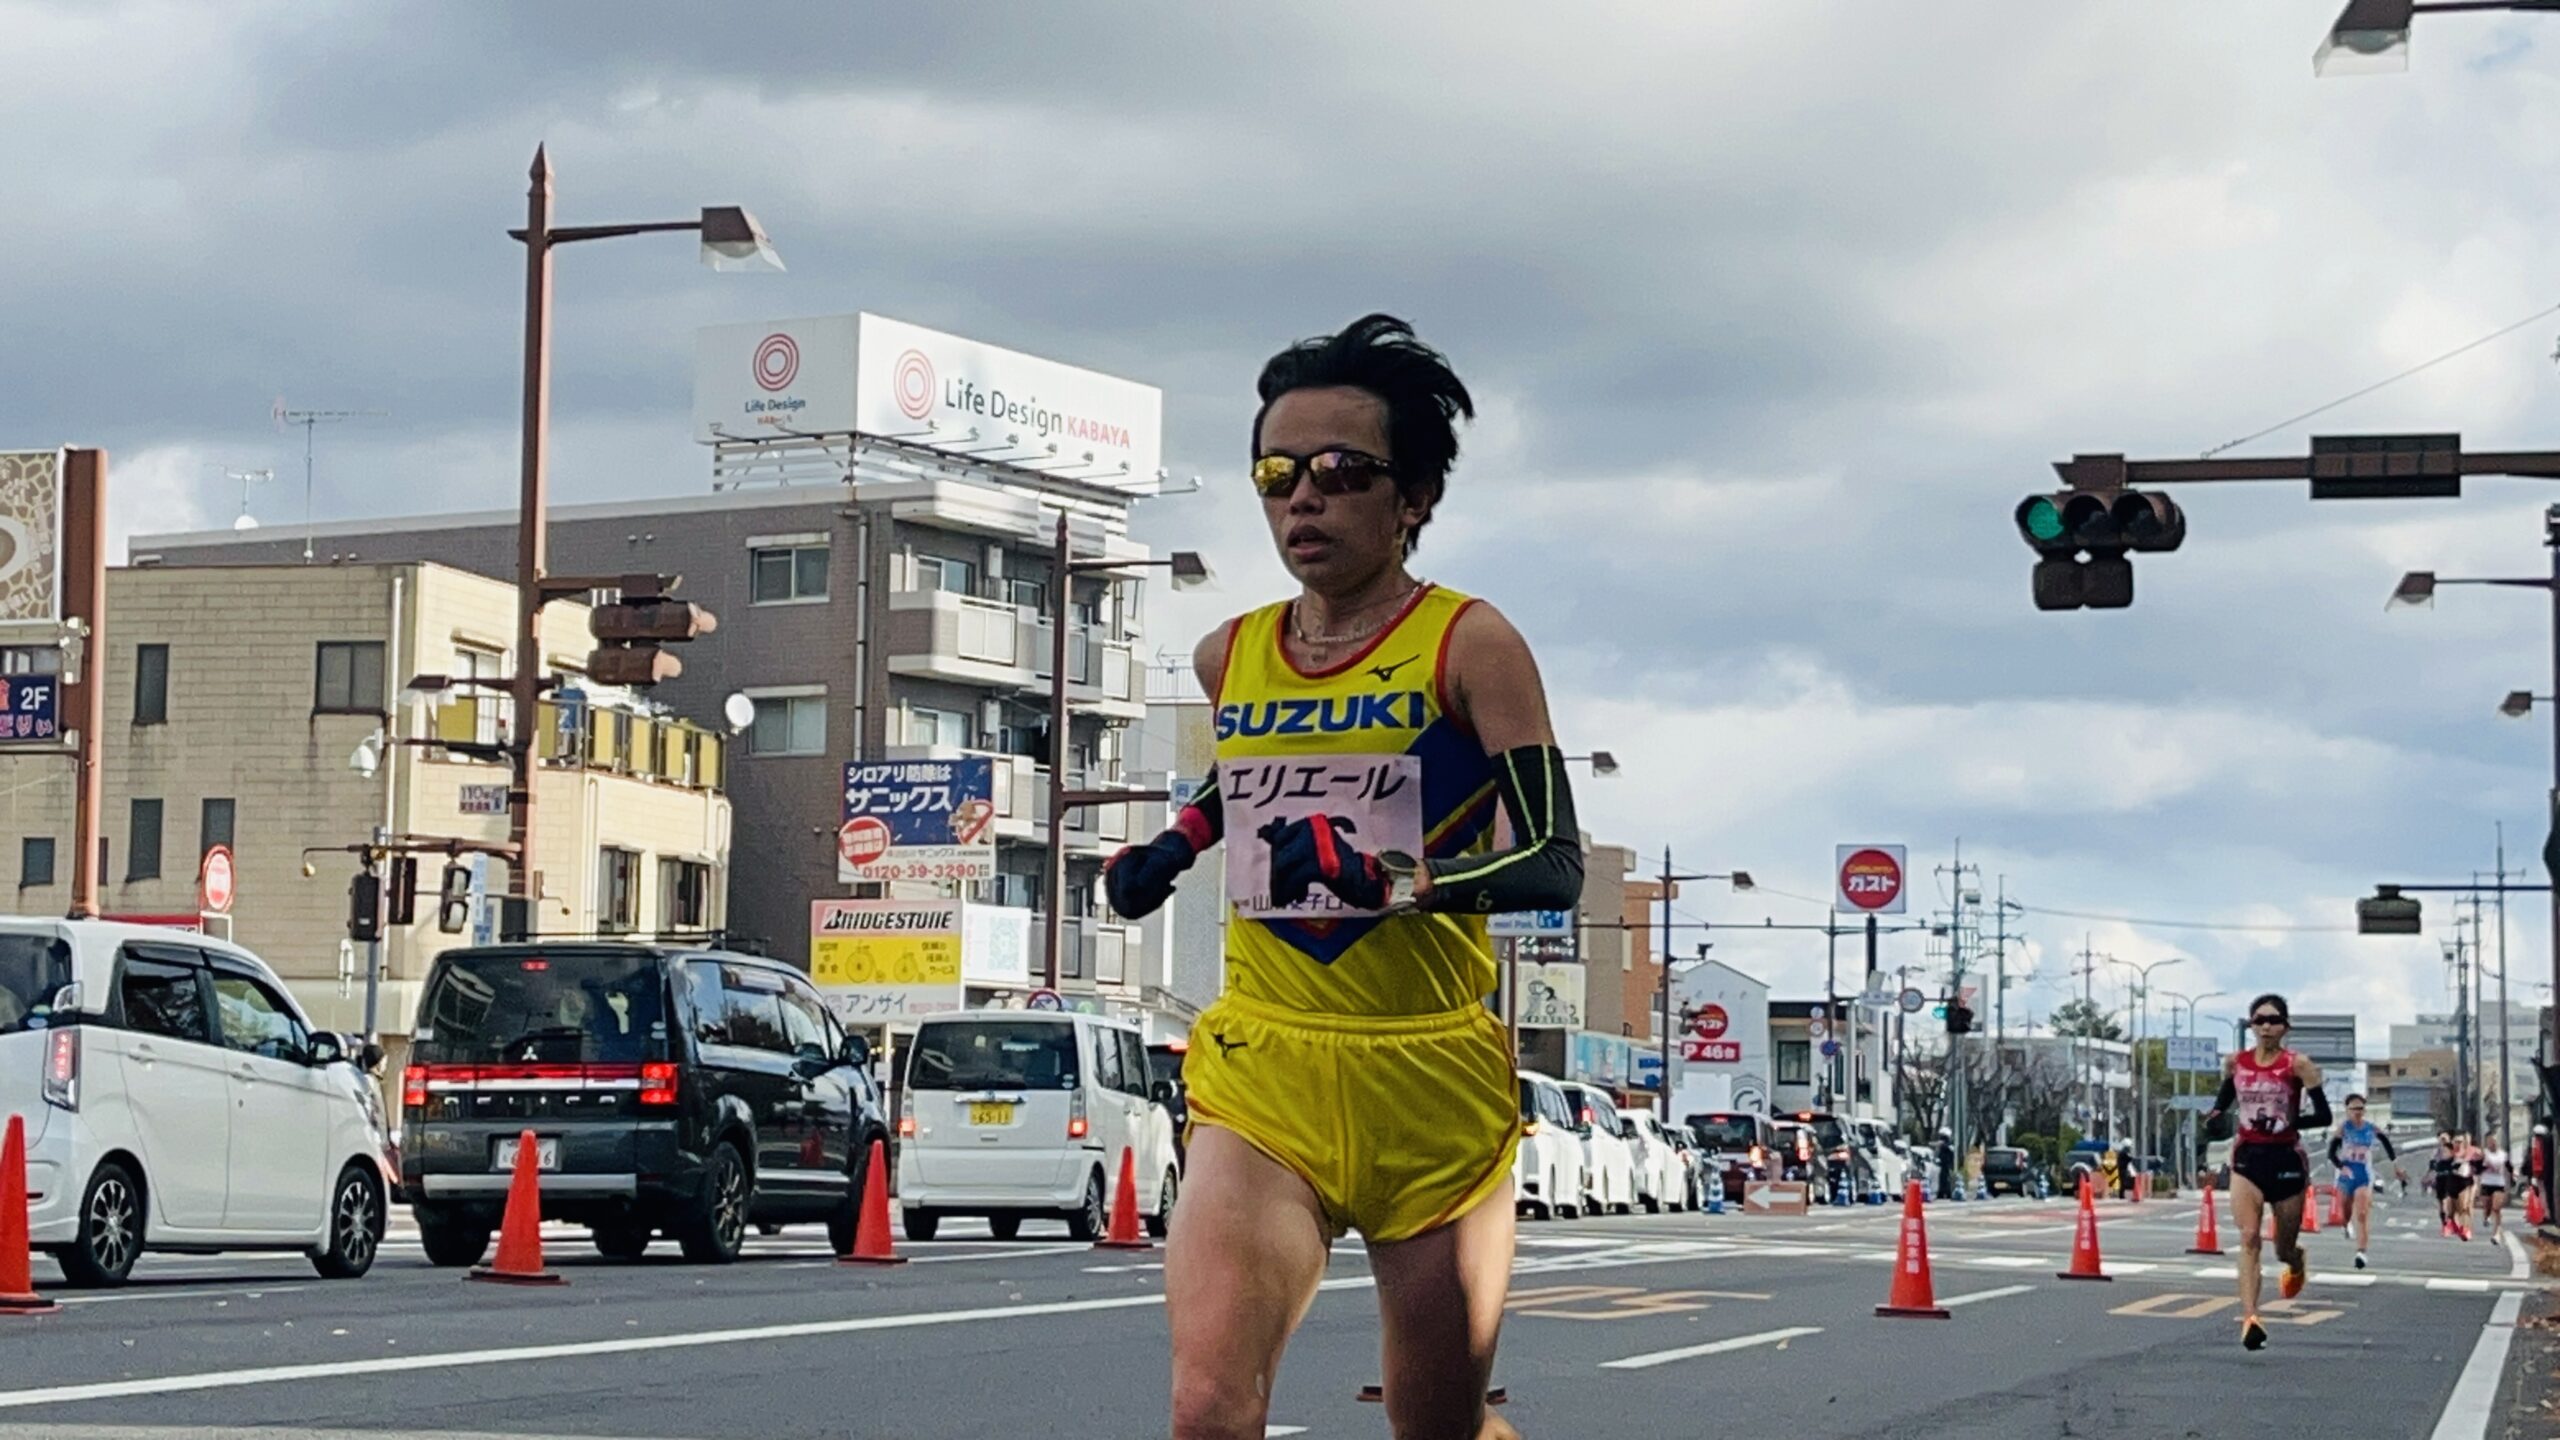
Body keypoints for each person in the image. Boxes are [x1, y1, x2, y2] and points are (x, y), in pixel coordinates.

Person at [1102, 314, 1582, 1440]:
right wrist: (1171, 849)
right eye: (1276, 474)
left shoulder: (1472, 645)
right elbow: (1252, 783)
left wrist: (1409, 886)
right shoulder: (1234, 653)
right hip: (1266, 1060)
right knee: (1208, 1405)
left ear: (1412, 497)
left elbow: (1553, 856)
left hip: (1428, 1075)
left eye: (1340, 473)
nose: (1301, 500)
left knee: (1435, 1424)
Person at [2202, 992, 2330, 1351]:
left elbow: (2324, 1116)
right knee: (2249, 1237)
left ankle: (2297, 1260)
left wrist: (2290, 1120)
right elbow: (2221, 1106)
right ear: (2251, 1025)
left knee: (2282, 1248)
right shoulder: (2236, 1064)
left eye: (2273, 1020)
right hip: (2247, 1158)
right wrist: (2212, 1121)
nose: (2266, 1026)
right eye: (2259, 1020)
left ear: (2285, 1027)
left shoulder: (2298, 1066)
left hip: (2286, 1159)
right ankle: (2250, 1318)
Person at [2326, 1094, 2406, 1269]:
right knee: (2345, 1211)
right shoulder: (2343, 1128)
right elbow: (2331, 1153)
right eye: (2354, 1109)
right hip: (2346, 1173)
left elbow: (2387, 1144)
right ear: (2347, 1111)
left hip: (2364, 1173)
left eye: (2360, 1108)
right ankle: (2346, 1224)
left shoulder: (2371, 1128)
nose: (2357, 1112)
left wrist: (2396, 1166)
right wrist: (2341, 1166)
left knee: (2362, 1213)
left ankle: (2361, 1253)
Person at [2478, 1133, 2512, 1239]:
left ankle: (2497, 1233)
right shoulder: (2483, 1154)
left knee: (2496, 1208)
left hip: (2499, 1183)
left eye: (2494, 1141)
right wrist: (2485, 1166)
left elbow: (2509, 1167)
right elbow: (2477, 1169)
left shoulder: (2503, 1154)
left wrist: (2512, 1177)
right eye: (2490, 1141)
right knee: (2487, 1206)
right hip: (2486, 1182)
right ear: (2487, 1142)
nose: (2493, 1143)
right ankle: (2486, 1216)